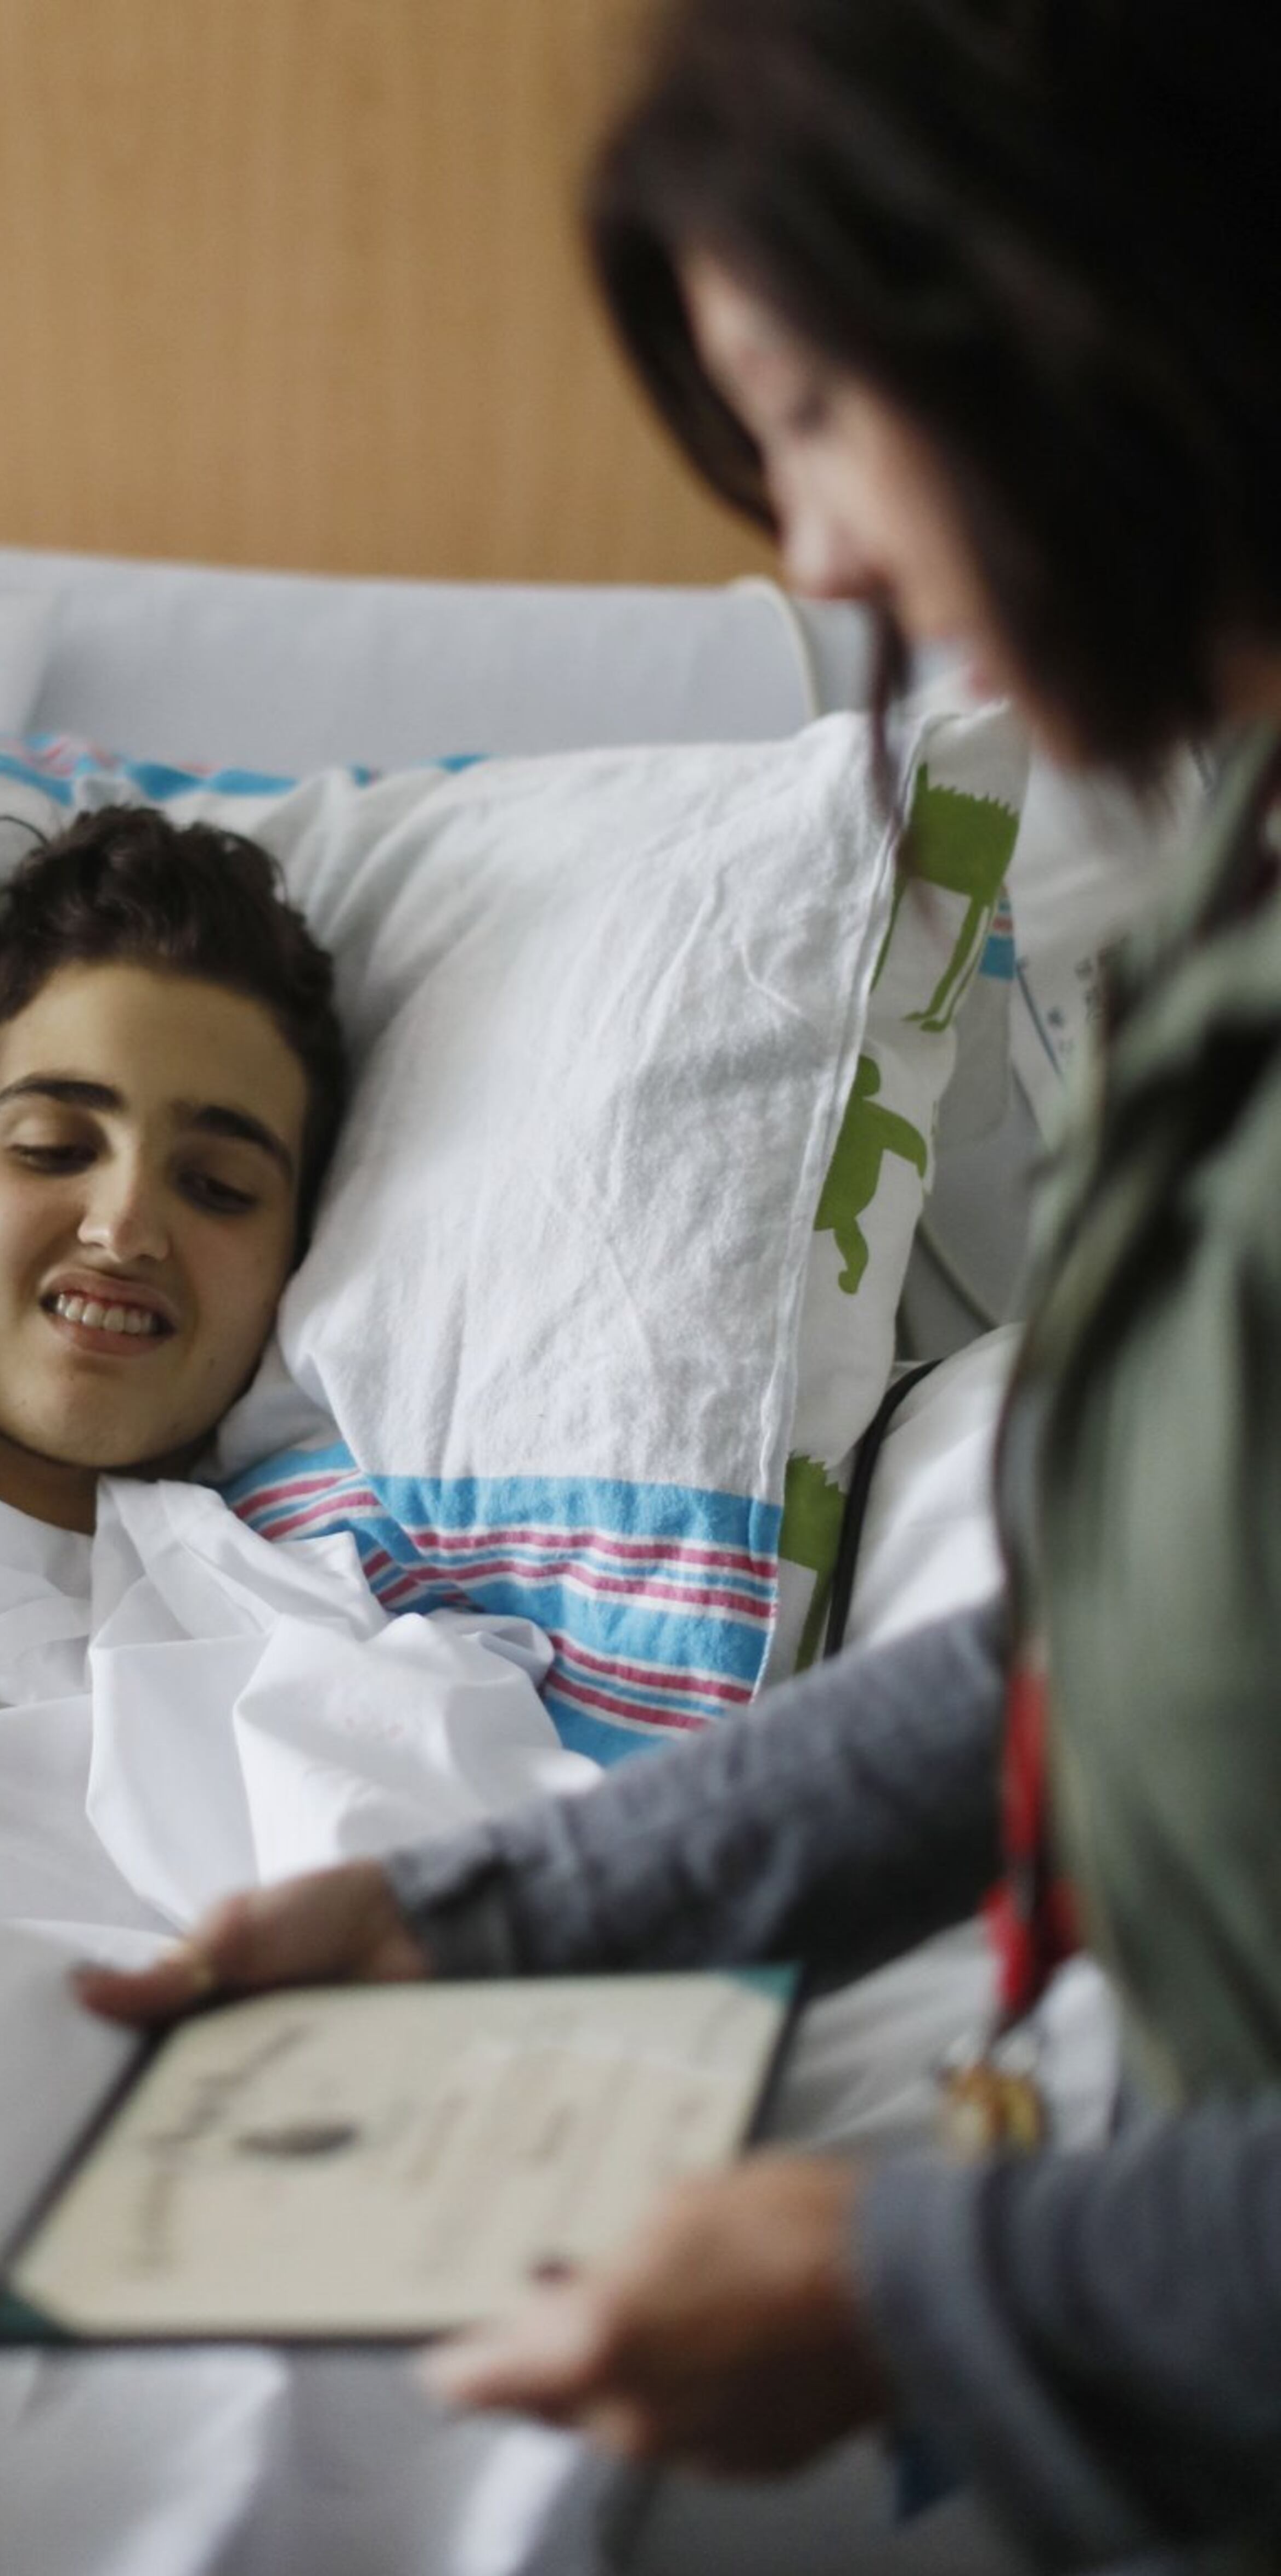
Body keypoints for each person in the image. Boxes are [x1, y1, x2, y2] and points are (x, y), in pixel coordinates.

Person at [80, 2, 1281, 2565]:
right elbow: (1120, 1628)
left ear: (1088, 300)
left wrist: (924, 2277)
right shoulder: (1232, 881)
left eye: (820, 414)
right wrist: (475, 1918)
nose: (816, 558)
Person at [0, 800, 346, 1534]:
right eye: (55, 1150)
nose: (124, 1228)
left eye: (217, 1188)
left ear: (295, 1265)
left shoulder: (382, 1650)